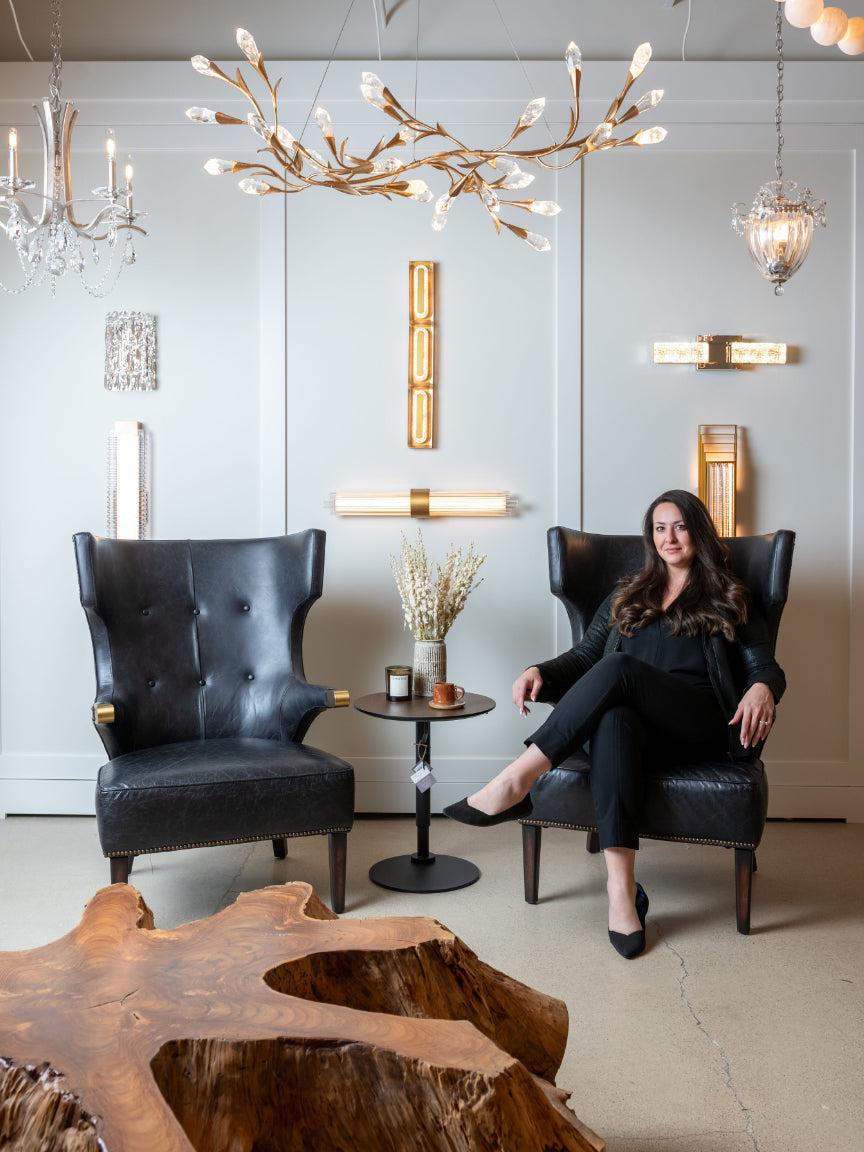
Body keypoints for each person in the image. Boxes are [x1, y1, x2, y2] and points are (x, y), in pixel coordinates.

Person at [444, 490, 785, 959]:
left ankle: (517, 779)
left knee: (620, 668)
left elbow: (765, 667)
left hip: (702, 724)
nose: (669, 537)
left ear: (699, 532)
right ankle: (622, 891)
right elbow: (585, 657)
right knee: (614, 719)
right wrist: (539, 670)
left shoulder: (729, 594)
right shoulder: (628, 593)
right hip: (640, 730)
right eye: (660, 528)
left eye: (680, 526)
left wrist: (763, 687)